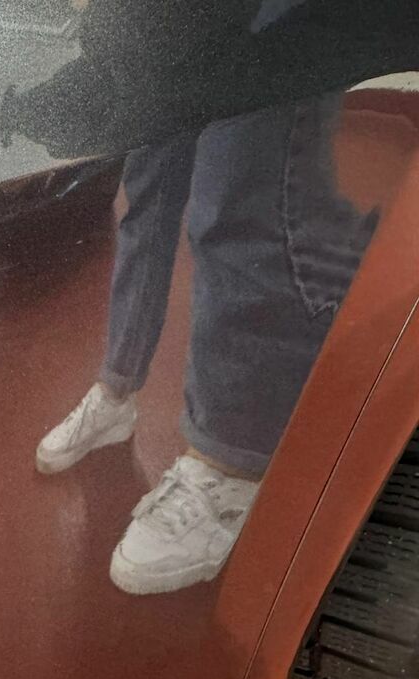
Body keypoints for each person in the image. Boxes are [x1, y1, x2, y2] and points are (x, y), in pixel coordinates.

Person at [36, 93, 376, 595]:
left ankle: (231, 460)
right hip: (187, 44)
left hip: (265, 46)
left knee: (242, 190)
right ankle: (115, 392)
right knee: (147, 188)